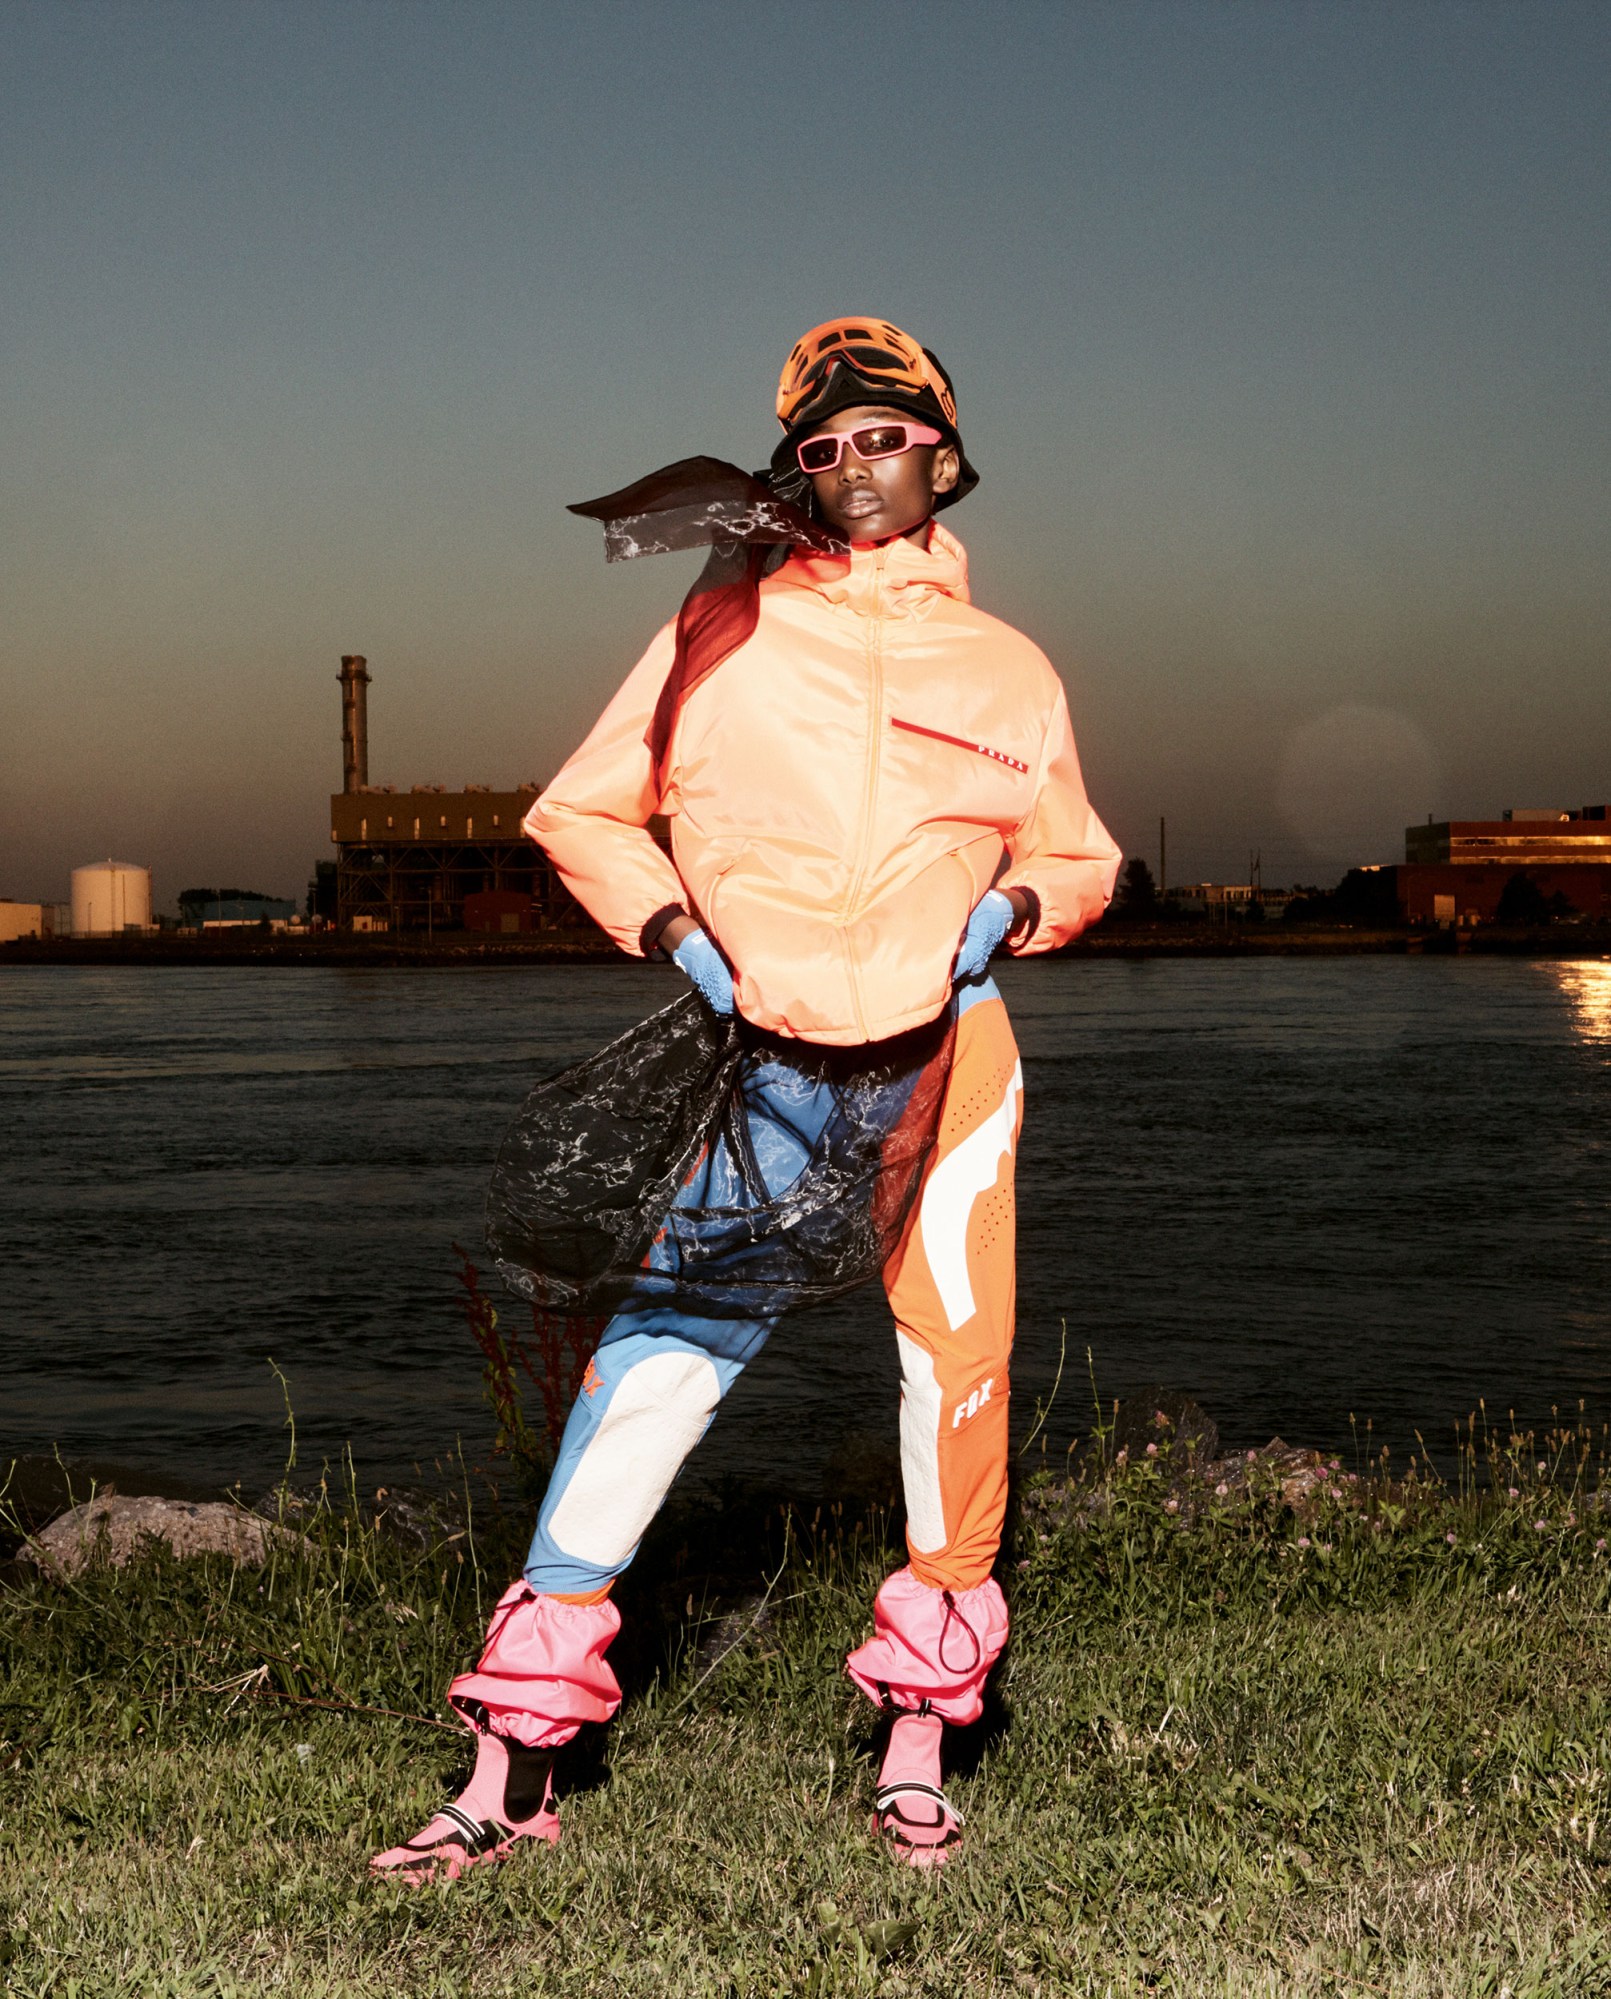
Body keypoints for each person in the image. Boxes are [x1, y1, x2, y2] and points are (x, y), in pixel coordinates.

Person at [372, 316, 1120, 1880]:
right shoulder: (722, 626)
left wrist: (1018, 910)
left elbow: (1076, 852)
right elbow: (581, 813)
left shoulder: (1010, 667)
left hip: (953, 1063)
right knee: (656, 1369)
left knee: (954, 1385)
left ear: (945, 456)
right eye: (823, 448)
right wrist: (675, 933)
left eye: (888, 437)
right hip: (767, 1066)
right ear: (797, 472)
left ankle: (919, 1747)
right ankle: (512, 1765)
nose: (858, 466)